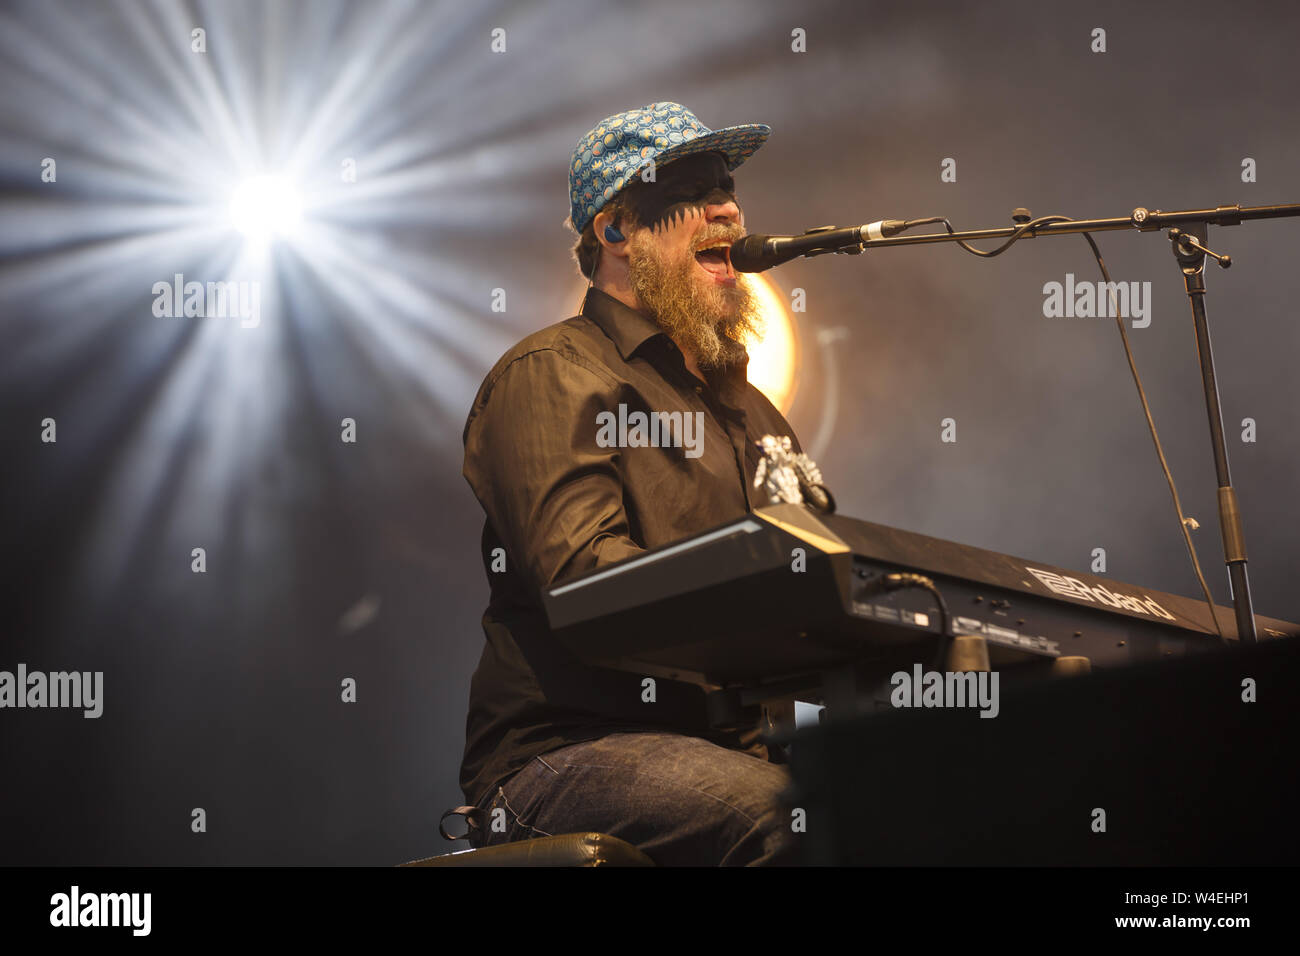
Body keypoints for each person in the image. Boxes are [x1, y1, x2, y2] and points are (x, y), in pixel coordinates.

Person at [456, 102, 807, 865]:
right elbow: (585, 583)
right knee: (788, 818)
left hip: (735, 746)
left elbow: (823, 576)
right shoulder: (553, 374)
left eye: (729, 187)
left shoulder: (753, 410)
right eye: (693, 187)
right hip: (567, 751)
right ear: (616, 230)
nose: (729, 207)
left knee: (931, 799)